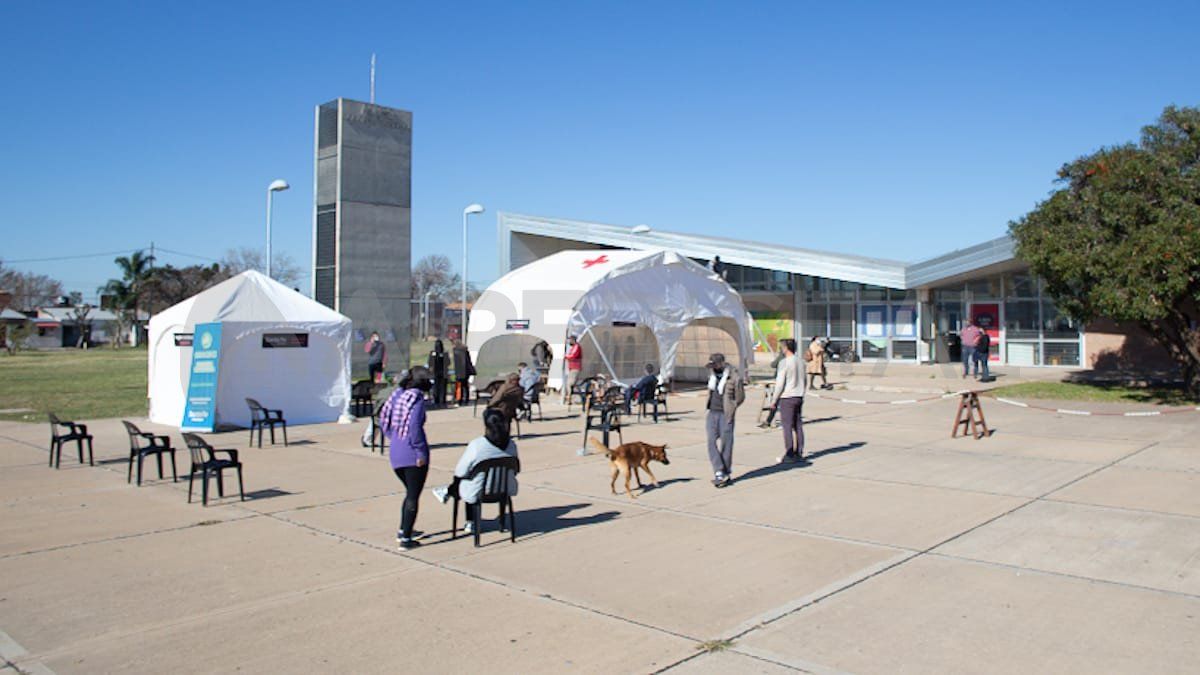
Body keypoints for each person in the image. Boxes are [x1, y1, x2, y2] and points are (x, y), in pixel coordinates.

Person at [431, 409, 519, 534]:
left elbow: (460, 471)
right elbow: (516, 469)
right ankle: (448, 492)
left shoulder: (477, 445)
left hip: (479, 490)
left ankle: (470, 521)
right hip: (504, 489)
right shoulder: (512, 445)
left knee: (467, 479)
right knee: (472, 477)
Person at [379, 366, 434, 550]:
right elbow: (415, 428)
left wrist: (394, 438)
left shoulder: (397, 396)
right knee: (413, 496)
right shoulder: (416, 400)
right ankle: (406, 538)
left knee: (409, 492)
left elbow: (383, 419)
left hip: (396, 450)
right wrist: (419, 452)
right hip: (412, 453)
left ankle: (404, 529)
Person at [704, 353, 744, 488]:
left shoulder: (733, 376)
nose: (712, 368)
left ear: (721, 364)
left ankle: (725, 471)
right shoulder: (711, 376)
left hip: (726, 414)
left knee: (727, 444)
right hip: (712, 412)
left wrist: (732, 406)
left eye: (714, 365)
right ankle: (718, 469)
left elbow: (740, 397)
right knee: (711, 441)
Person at [770, 339, 807, 463]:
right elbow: (805, 380)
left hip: (787, 396)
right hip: (799, 395)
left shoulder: (784, 362)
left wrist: (774, 399)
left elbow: (780, 384)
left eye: (782, 347)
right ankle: (799, 452)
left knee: (787, 426)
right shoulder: (801, 362)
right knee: (798, 425)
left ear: (785, 348)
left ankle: (789, 454)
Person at [427, 339, 449, 408]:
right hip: (443, 372)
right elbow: (448, 362)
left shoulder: (432, 353)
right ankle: (442, 401)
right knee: (442, 387)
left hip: (435, 373)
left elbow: (430, 362)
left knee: (436, 387)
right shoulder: (445, 353)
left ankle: (436, 401)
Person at [561, 335, 583, 404]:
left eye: (570, 340)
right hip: (572, 368)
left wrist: (565, 356)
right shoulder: (573, 347)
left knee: (570, 384)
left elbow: (573, 356)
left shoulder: (576, 346)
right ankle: (571, 398)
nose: (569, 342)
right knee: (570, 384)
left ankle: (571, 398)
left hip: (575, 368)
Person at [452, 339, 475, 406]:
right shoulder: (465, 350)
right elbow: (469, 361)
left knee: (459, 386)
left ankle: (459, 400)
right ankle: (466, 399)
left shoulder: (455, 351)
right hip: (466, 371)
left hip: (459, 372)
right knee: (465, 386)